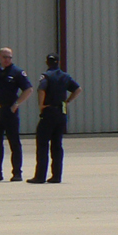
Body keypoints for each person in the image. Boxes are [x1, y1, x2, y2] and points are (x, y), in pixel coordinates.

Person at [0, 47, 34, 181]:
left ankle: (17, 173)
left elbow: (28, 89)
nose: (7, 60)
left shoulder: (17, 72)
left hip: (9, 111)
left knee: (14, 143)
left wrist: (16, 104)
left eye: (9, 57)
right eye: (5, 57)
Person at [29, 54, 81, 184]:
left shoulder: (46, 76)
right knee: (57, 145)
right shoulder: (65, 76)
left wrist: (41, 105)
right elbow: (78, 89)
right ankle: (56, 176)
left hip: (49, 111)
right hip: (61, 113)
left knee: (42, 144)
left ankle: (40, 176)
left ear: (47, 62)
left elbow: (41, 90)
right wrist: (67, 101)